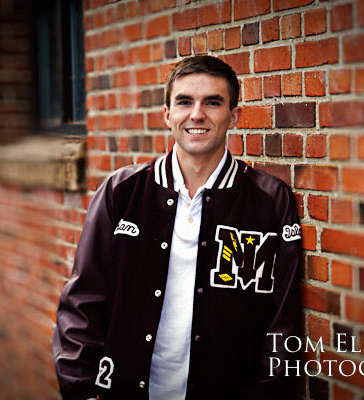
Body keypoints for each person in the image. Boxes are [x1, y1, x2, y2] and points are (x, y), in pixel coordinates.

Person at [53, 55, 301, 400]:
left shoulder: (270, 201)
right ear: (167, 114)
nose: (197, 114)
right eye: (185, 101)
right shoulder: (122, 191)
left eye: (212, 102)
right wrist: (80, 389)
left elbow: (282, 324)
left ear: (234, 116)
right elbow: (83, 301)